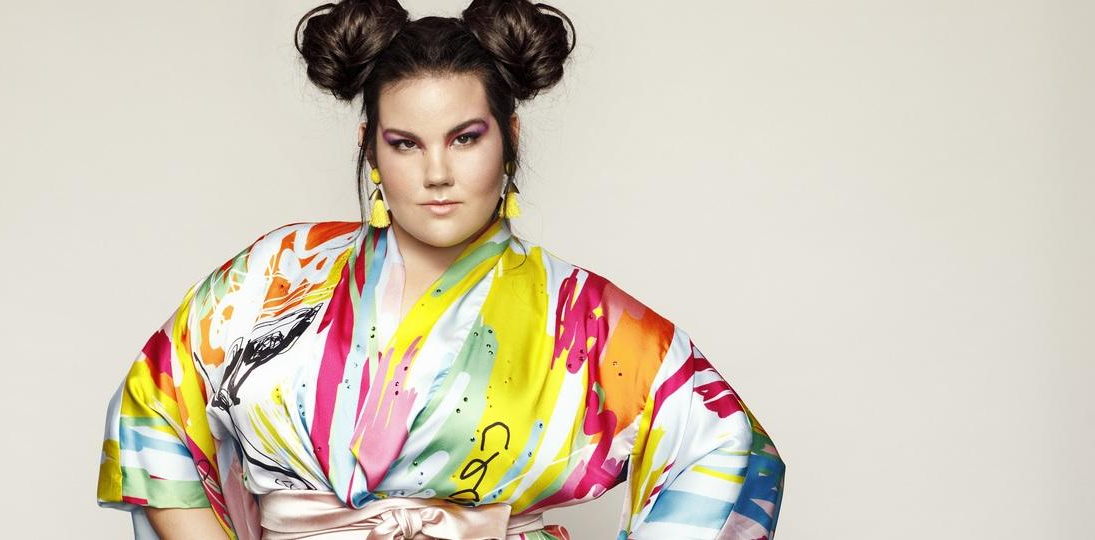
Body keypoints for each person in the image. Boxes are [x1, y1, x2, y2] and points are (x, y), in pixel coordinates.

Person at [95, 1, 786, 538]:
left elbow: (725, 444)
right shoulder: (279, 273)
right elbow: (154, 405)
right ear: (370, 148)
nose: (436, 173)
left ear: (509, 138)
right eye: (405, 143)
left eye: (465, 139)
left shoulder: (579, 315)